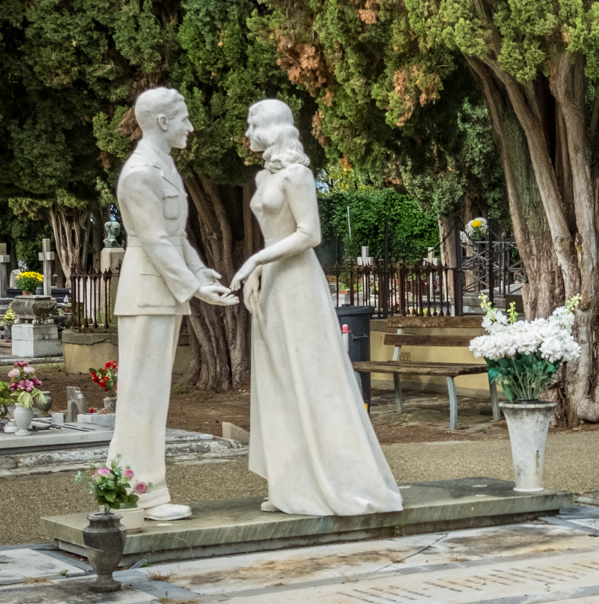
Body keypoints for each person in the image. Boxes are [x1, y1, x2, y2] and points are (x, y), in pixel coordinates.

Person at [230, 100, 403, 516]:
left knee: (309, 377)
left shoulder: (298, 174)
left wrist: (256, 260)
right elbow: (274, 235)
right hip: (272, 283)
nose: (247, 133)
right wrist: (258, 271)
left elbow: (309, 234)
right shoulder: (262, 177)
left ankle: (327, 480)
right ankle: (290, 483)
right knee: (278, 380)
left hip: (298, 284)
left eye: (252, 125)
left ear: (271, 128)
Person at [110, 88, 238, 521]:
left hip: (161, 294)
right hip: (146, 294)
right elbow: (154, 242)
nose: (191, 126)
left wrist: (200, 274)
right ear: (162, 122)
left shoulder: (164, 166)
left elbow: (176, 237)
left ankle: (141, 491)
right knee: (140, 399)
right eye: (184, 118)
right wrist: (194, 289)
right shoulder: (140, 173)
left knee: (152, 398)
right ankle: (134, 494)